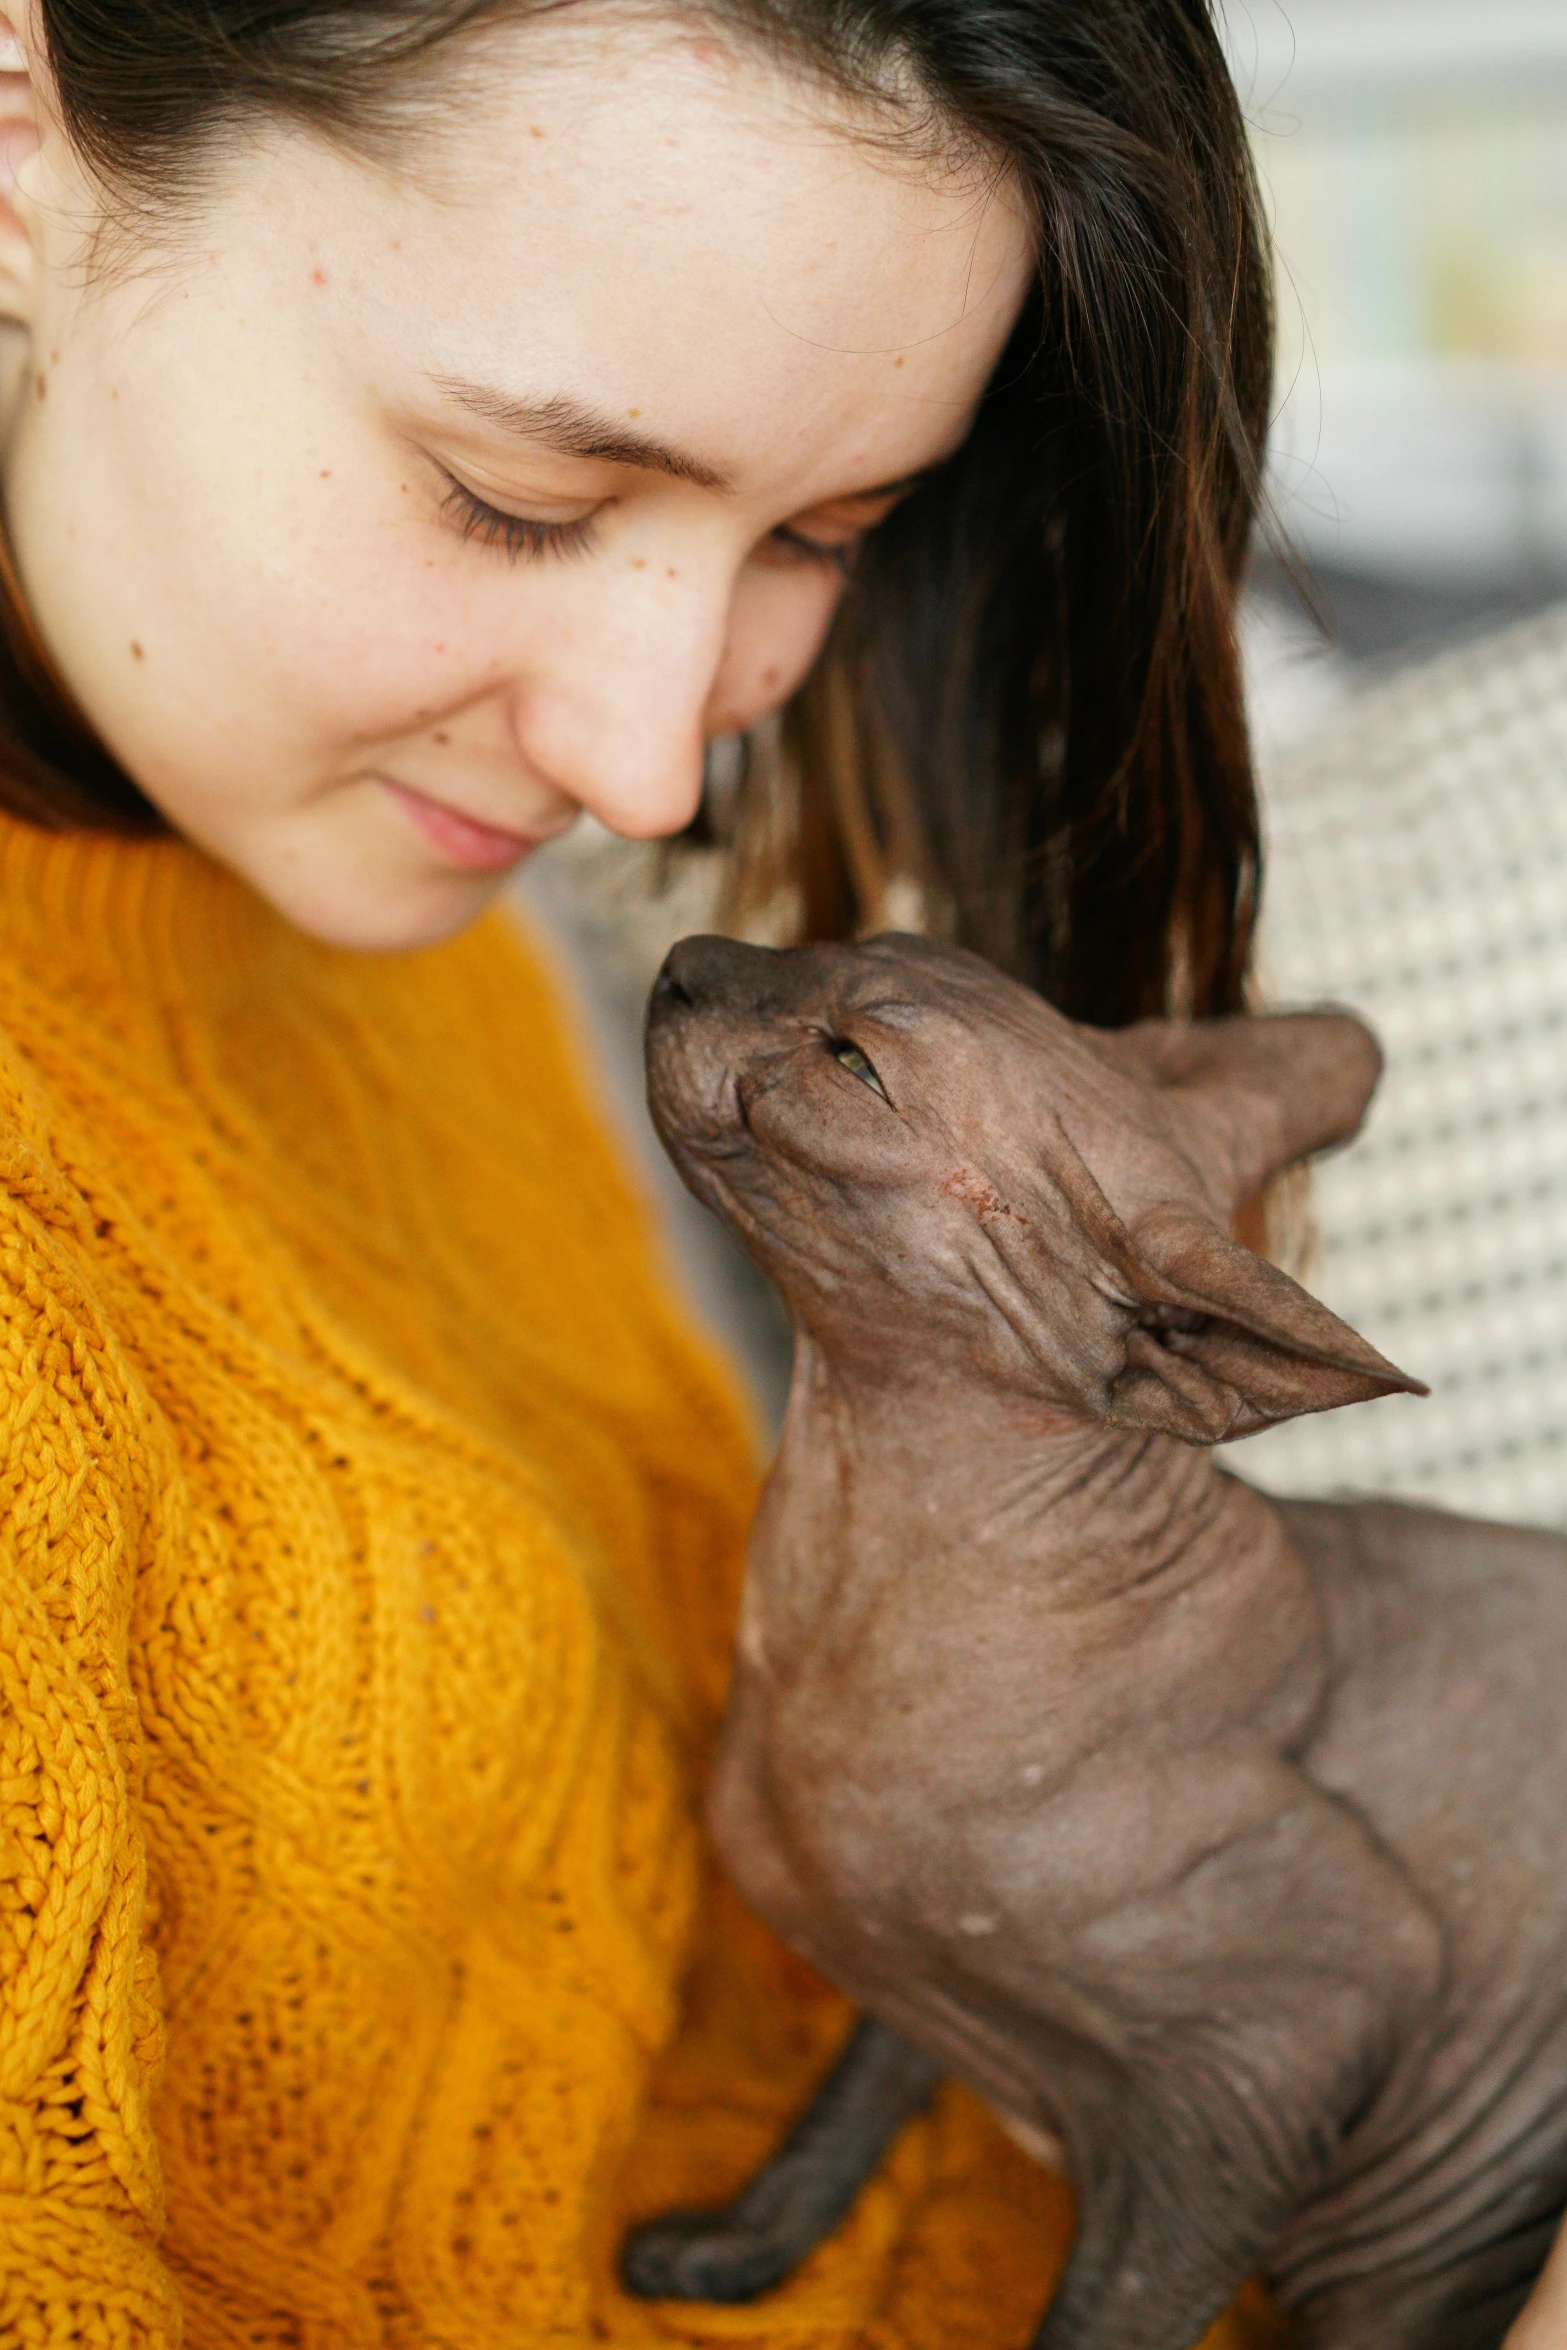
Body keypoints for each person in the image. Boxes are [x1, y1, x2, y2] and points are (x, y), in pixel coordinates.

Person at [0, 0, 1433, 2343]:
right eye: (520, 499)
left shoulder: (390, 905)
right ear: (23, 121)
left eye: (829, 533)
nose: (651, 769)